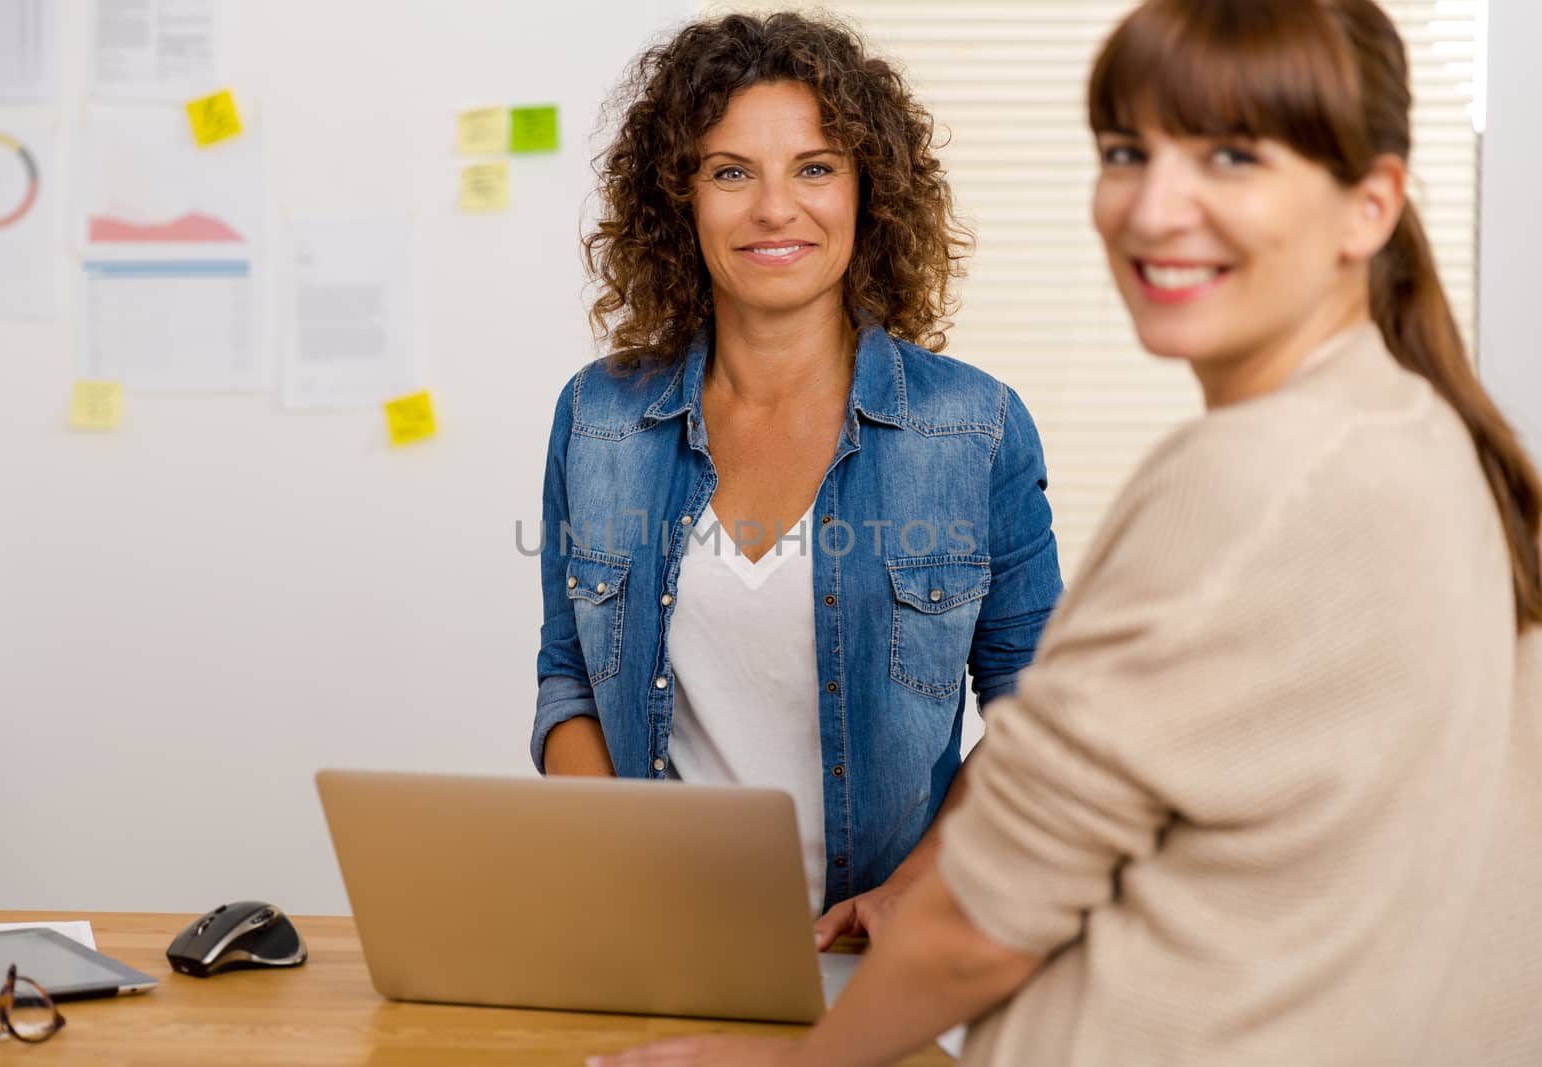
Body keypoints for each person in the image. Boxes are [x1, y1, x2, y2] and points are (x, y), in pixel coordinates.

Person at [591, 1, 1542, 1064]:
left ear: (1369, 207)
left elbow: (989, 903)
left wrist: (807, 1064)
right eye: (1127, 151)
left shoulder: (1250, 476)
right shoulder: (1422, 431)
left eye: (1232, 155)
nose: (1157, 207)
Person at [531, 11, 1063, 941]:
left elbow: (1037, 712)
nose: (775, 208)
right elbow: (569, 680)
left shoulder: (974, 429)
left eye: (814, 168)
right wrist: (622, 861)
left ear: (870, 192)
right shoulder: (598, 419)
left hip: (889, 956)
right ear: (679, 200)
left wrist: (916, 889)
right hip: (660, 940)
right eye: (731, 172)